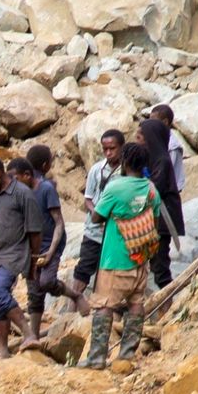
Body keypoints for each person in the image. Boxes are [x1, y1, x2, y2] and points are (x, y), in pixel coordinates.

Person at [85, 143, 160, 368]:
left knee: (104, 306)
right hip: (140, 257)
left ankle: (97, 358)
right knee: (136, 303)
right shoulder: (151, 189)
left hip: (115, 258)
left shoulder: (115, 188)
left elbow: (97, 217)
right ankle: (127, 355)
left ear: (125, 162)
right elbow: (155, 221)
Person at [0, 154, 40, 359]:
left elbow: (34, 231)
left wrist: (33, 261)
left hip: (12, 255)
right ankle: (3, 350)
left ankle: (28, 332)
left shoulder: (22, 194)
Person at [63, 130, 124, 310]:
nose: (108, 153)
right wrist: (97, 213)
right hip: (94, 231)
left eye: (112, 148)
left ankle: (107, 308)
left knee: (110, 271)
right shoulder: (97, 169)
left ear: (121, 147)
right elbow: (88, 198)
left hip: (115, 233)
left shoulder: (127, 172)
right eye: (105, 149)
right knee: (83, 270)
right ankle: (71, 309)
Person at [17, 146, 66, 342]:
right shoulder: (19, 192)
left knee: (46, 282)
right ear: (46, 165)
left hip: (50, 245)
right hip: (30, 249)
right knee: (34, 293)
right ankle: (33, 337)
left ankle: (73, 294)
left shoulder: (46, 188)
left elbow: (58, 222)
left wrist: (51, 251)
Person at [137, 115, 184, 289]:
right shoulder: (148, 159)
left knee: (160, 266)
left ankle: (168, 303)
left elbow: (154, 190)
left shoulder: (162, 161)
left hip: (163, 220)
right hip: (150, 219)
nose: (137, 140)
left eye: (140, 137)